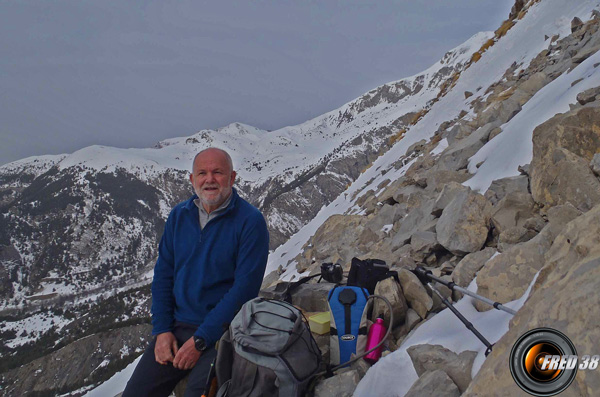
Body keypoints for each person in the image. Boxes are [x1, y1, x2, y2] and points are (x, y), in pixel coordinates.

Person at [123, 147, 269, 397]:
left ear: (232, 178)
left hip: (222, 333)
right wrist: (161, 330)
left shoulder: (250, 222)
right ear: (192, 180)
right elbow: (163, 277)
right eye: (202, 173)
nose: (209, 179)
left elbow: (243, 291)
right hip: (177, 326)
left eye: (218, 172)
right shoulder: (179, 216)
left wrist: (201, 340)